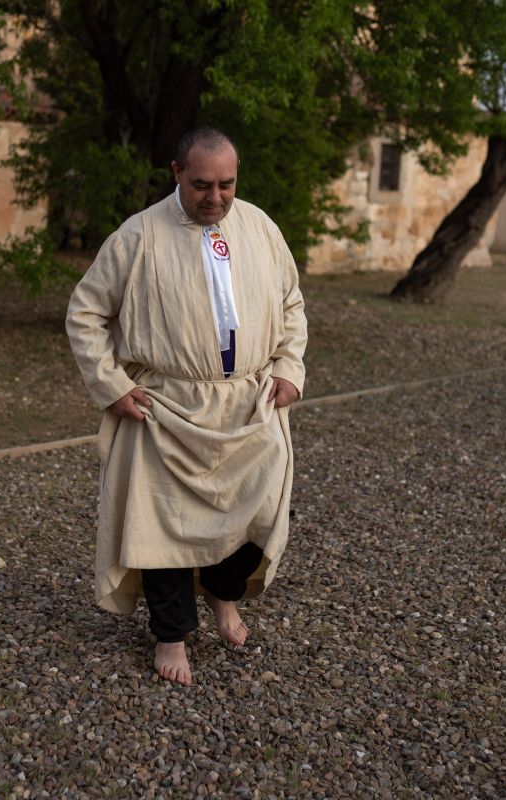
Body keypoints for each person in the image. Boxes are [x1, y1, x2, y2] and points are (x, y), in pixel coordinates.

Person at [66, 127, 307, 686]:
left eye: (227, 184)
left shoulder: (261, 228)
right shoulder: (138, 235)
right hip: (166, 408)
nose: (215, 197)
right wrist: (112, 385)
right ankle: (171, 635)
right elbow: (85, 313)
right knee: (163, 528)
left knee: (257, 513)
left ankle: (224, 595)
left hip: (250, 403)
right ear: (176, 172)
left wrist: (289, 369)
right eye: (202, 184)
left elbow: (291, 304)